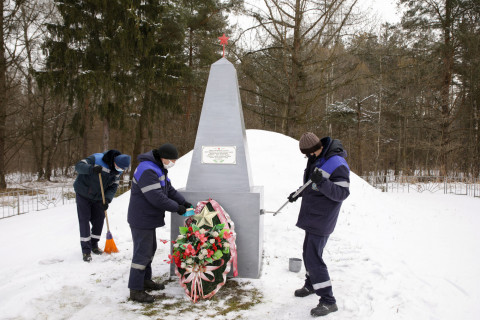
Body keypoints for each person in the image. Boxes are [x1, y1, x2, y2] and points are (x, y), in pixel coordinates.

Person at [288, 132, 350, 317]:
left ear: (316, 149)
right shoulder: (319, 158)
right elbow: (311, 183)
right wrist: (299, 193)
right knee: (307, 252)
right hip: (313, 214)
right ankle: (312, 284)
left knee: (314, 258)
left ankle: (328, 301)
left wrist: (321, 182)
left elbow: (342, 193)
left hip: (323, 216)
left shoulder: (336, 163)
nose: (307, 157)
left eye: (308, 154)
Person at [127, 143, 194, 303]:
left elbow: (168, 190)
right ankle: (136, 290)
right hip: (141, 218)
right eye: (172, 160)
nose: (174, 163)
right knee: (142, 253)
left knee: (150, 249)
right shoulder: (147, 170)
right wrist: (177, 208)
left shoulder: (158, 168)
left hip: (148, 218)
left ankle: (145, 280)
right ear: (163, 157)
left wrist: (184, 202)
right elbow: (156, 197)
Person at [73, 149, 131, 262]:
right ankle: (86, 251)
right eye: (119, 167)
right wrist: (91, 169)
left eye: (122, 169)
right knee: (84, 220)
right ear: (114, 161)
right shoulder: (97, 158)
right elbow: (78, 166)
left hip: (100, 197)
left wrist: (107, 200)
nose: (120, 170)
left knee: (99, 219)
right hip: (83, 193)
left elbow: (113, 186)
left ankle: (94, 245)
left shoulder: (117, 172)